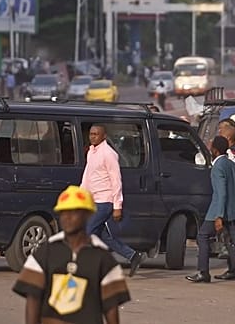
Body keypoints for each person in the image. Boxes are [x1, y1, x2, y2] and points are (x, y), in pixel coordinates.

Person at [12, 186, 130, 324]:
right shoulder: (45, 252)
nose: (67, 217)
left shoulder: (102, 257)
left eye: (73, 212)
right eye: (63, 212)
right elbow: (33, 297)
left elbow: (111, 306)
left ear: (88, 215)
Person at [186, 136, 235, 286]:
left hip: (219, 209)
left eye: (211, 147)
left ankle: (203, 271)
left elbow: (221, 192)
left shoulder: (218, 166)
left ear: (215, 150)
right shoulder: (232, 164)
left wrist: (219, 216)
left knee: (203, 236)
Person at [80, 124, 145, 277]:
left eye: (96, 134)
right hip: (93, 199)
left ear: (104, 136)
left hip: (105, 200)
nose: (93, 137)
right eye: (91, 134)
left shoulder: (108, 154)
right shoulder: (91, 152)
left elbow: (116, 180)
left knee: (87, 232)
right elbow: (87, 177)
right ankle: (133, 256)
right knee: (103, 236)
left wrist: (117, 206)